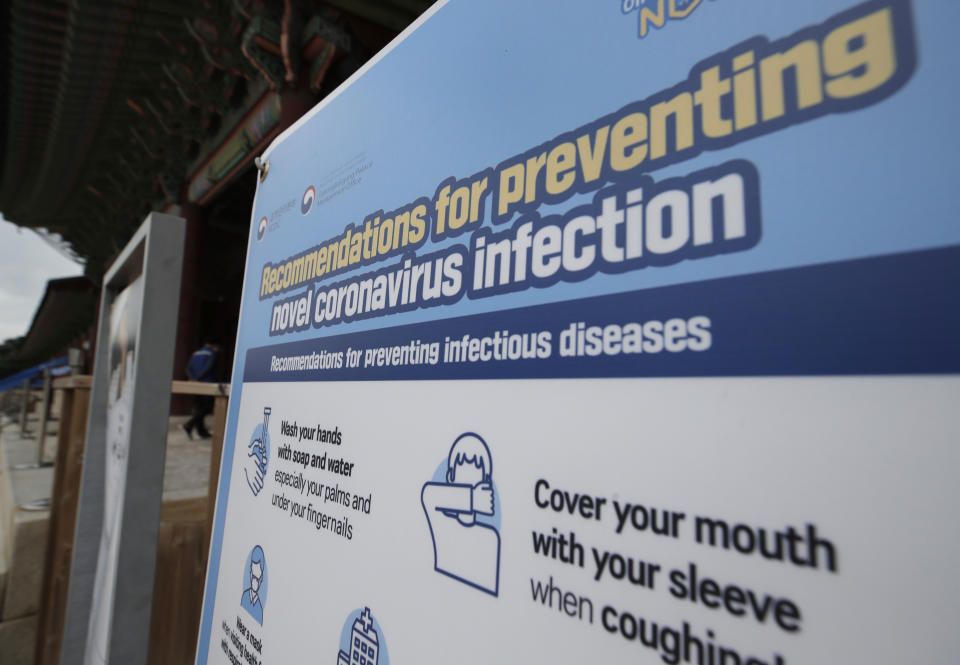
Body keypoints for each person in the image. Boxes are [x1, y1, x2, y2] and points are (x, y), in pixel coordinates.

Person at [421, 433, 501, 595]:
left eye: (476, 472)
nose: (470, 479)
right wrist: (472, 499)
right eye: (462, 469)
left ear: (486, 484)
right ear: (450, 477)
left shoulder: (490, 536)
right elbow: (428, 494)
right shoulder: (442, 523)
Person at [182, 339, 220, 439]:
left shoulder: (195, 353)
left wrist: (193, 378)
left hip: (195, 384)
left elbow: (188, 368)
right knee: (207, 407)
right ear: (214, 345)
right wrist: (199, 378)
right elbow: (209, 367)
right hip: (207, 384)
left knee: (199, 407)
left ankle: (201, 431)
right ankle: (189, 424)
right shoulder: (212, 353)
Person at [240, 545, 266, 625]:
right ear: (250, 573)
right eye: (253, 576)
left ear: (261, 579)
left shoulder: (259, 610)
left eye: (257, 578)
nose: (254, 581)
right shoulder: (245, 596)